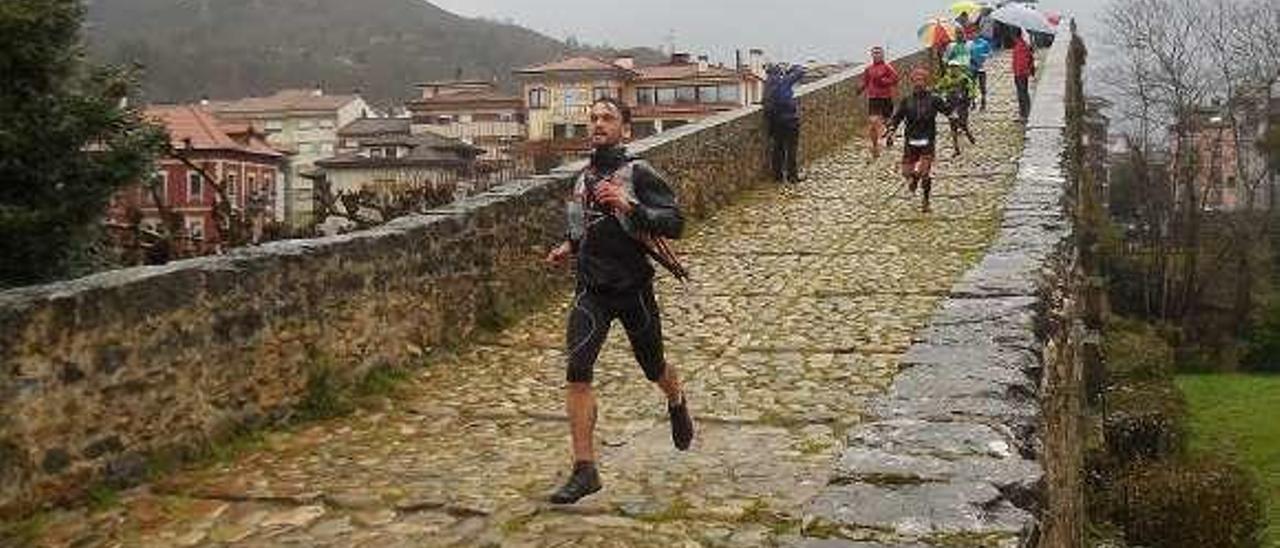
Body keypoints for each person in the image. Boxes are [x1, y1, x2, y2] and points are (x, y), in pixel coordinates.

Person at [544, 97, 693, 505]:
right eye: (592, 118)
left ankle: (676, 399)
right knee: (577, 369)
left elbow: (676, 222)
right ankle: (585, 468)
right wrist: (566, 249)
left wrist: (631, 205)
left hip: (633, 290)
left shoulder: (638, 172)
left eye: (607, 118)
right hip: (591, 289)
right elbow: (580, 231)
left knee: (653, 367)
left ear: (625, 129)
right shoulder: (581, 179)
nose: (597, 124)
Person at [884, 67, 954, 213]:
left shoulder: (934, 99)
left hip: (927, 140)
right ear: (912, 82)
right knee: (906, 173)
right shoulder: (907, 100)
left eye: (921, 80)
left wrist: (953, 114)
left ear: (926, 82)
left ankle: (926, 201)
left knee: (924, 173)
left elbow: (947, 110)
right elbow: (897, 118)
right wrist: (891, 130)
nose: (918, 83)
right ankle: (914, 179)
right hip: (910, 141)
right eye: (916, 80)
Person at [763, 63, 806, 183]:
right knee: (791, 149)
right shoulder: (784, 81)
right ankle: (792, 176)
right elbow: (801, 72)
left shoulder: (767, 86)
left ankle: (777, 176)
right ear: (779, 72)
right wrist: (791, 70)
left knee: (778, 149)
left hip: (776, 122)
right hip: (790, 120)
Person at [856, 46, 900, 161]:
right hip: (873, 99)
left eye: (879, 53)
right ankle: (875, 146)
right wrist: (859, 89)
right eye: (874, 53)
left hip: (886, 97)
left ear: (882, 55)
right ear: (872, 55)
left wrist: (884, 81)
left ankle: (889, 136)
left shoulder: (887, 67)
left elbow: (895, 80)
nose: (877, 55)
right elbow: (865, 82)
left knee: (887, 121)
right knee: (873, 122)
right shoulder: (868, 69)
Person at [936, 60, 979, 157]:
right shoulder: (946, 79)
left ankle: (968, 134)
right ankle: (956, 148)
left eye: (955, 67)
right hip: (951, 105)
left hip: (962, 105)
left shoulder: (964, 78)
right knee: (953, 126)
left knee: (962, 123)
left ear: (958, 68)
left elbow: (971, 89)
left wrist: (972, 99)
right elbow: (938, 87)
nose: (953, 69)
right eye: (951, 67)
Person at [1013, 31, 1036, 121]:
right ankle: (1024, 113)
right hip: (1020, 73)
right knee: (1023, 94)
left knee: (1022, 94)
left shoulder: (1020, 46)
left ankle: (1025, 114)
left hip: (1021, 74)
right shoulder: (1023, 45)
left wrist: (1018, 73)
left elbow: (1021, 62)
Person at [968, 35, 993, 110]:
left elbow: (990, 53)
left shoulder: (984, 43)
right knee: (972, 85)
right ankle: (973, 103)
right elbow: (967, 54)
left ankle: (983, 102)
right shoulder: (969, 43)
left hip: (982, 67)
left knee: (982, 85)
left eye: (975, 31)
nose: (973, 34)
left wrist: (984, 56)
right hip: (972, 67)